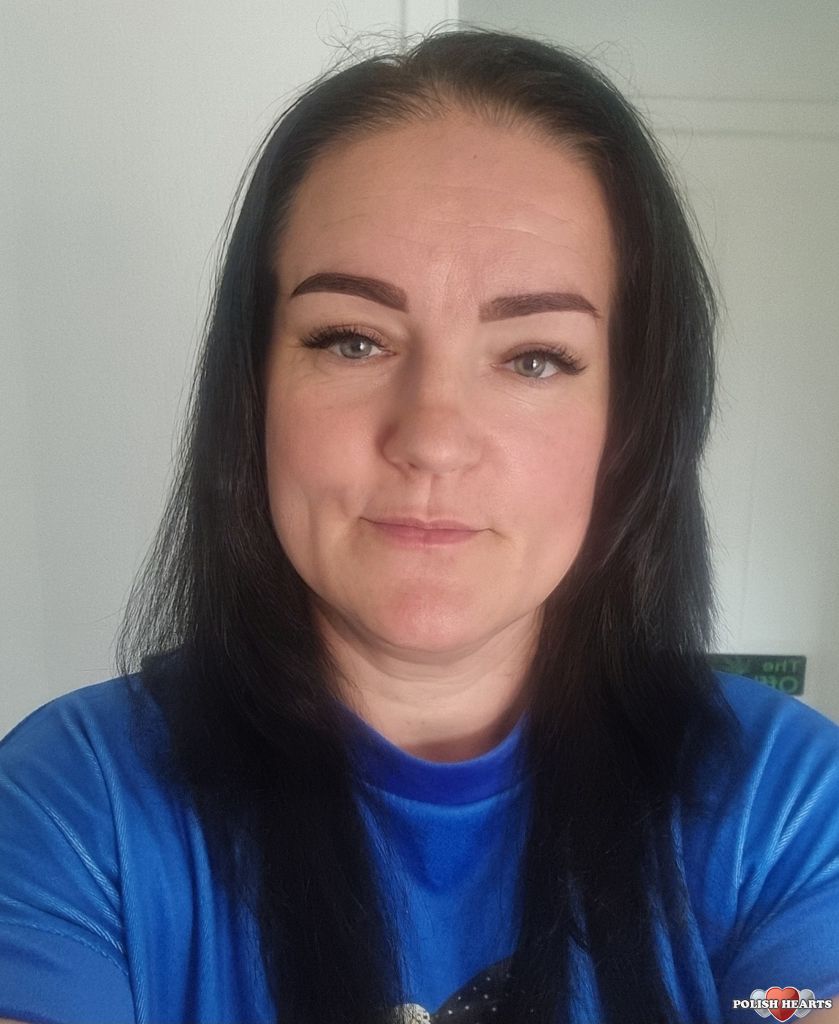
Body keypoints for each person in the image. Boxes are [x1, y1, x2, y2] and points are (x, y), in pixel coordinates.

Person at [1, 24, 838, 1024]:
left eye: (533, 358)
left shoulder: (787, 807)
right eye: (351, 340)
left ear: (628, 422)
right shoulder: (72, 803)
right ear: (253, 393)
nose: (432, 440)